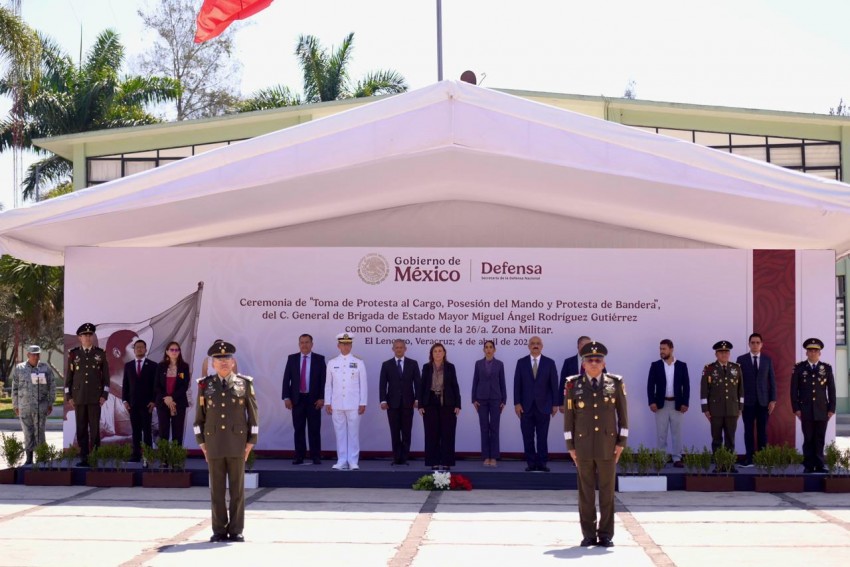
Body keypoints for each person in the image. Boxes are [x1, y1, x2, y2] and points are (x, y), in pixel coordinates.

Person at [564, 341, 628, 548]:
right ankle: (589, 535)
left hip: (607, 446)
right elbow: (569, 418)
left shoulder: (615, 384)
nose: (594, 363)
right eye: (589, 360)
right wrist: (570, 446)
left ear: (604, 363)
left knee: (607, 493)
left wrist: (621, 443)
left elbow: (623, 416)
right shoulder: (573, 385)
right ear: (583, 364)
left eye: (598, 360)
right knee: (586, 493)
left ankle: (606, 534)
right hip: (582, 446)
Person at [194, 340, 258, 543]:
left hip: (237, 444)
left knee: (237, 489)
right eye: (219, 359)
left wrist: (251, 442)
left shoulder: (244, 383)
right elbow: (199, 418)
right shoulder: (205, 385)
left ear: (233, 362)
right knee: (217, 490)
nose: (223, 361)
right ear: (213, 363)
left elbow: (253, 416)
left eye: (227, 358)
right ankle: (219, 530)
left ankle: (236, 529)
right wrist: (202, 443)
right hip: (213, 444)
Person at [66, 323, 110, 467]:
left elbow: (106, 377)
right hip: (78, 397)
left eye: (90, 335)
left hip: (95, 397)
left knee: (95, 429)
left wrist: (104, 395)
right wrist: (69, 396)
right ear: (80, 338)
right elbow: (69, 377)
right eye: (85, 335)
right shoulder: (73, 354)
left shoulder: (100, 353)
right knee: (81, 428)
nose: (88, 337)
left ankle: (95, 456)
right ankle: (84, 457)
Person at [514, 336, 559, 472]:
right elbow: (517, 385)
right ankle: (531, 463)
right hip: (525, 407)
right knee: (527, 437)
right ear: (528, 346)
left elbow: (554, 385)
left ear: (542, 346)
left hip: (544, 406)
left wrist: (555, 404)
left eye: (538, 343)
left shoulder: (549, 363)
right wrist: (517, 403)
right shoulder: (521, 362)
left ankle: (542, 463)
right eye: (533, 343)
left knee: (542, 437)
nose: (535, 345)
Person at [791, 338, 835, 474]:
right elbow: (794, 390)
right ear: (806, 353)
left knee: (820, 438)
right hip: (806, 409)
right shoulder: (799, 368)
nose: (813, 353)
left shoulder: (826, 368)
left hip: (822, 409)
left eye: (816, 351)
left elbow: (831, 390)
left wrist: (831, 408)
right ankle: (809, 465)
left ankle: (820, 464)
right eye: (810, 350)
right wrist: (796, 408)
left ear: (819, 353)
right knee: (808, 438)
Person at [325, 333, 368, 471]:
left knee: (353, 434)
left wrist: (363, 402)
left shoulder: (358, 362)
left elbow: (363, 384)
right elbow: (328, 384)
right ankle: (342, 460)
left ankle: (353, 461)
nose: (346, 346)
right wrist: (327, 402)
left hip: (353, 403)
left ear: (351, 345)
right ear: (338, 346)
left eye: (348, 344)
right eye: (343, 344)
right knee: (340, 434)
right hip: (337, 403)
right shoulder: (332, 363)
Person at [282, 333, 326, 465]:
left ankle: (315, 456)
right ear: (299, 344)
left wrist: (322, 398)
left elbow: (323, 380)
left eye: (307, 342)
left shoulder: (319, 359)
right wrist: (286, 397)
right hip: (297, 399)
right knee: (299, 429)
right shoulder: (292, 359)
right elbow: (286, 379)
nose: (304, 345)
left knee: (314, 429)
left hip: (314, 400)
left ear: (312, 344)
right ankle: (299, 456)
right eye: (302, 342)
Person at [646, 339, 690, 467]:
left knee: (677, 433)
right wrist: (651, 402)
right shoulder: (656, 365)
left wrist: (685, 403)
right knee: (661, 433)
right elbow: (650, 385)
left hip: (677, 404)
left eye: (664, 349)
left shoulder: (682, 365)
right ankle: (661, 457)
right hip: (661, 404)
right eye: (660, 349)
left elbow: (686, 386)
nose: (661, 351)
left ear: (671, 349)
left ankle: (677, 458)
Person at [700, 340, 743, 470]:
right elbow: (704, 390)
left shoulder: (736, 368)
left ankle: (729, 465)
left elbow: (741, 389)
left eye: (726, 352)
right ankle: (719, 465)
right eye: (721, 352)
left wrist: (740, 407)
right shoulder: (709, 368)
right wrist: (705, 409)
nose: (724, 354)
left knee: (730, 439)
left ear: (729, 354)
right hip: (715, 410)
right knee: (717, 439)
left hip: (732, 409)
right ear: (716, 354)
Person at [418, 342, 461, 471]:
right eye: (435, 351)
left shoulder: (450, 367)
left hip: (447, 403)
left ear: (444, 353)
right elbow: (422, 386)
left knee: (448, 433)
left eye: (440, 351)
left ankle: (447, 462)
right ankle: (434, 462)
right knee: (432, 434)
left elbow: (455, 386)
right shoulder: (426, 367)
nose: (437, 353)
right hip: (430, 402)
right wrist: (420, 405)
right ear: (431, 354)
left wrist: (458, 404)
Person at [736, 333, 777, 467]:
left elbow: (772, 381)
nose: (755, 345)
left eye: (757, 342)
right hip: (747, 402)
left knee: (762, 432)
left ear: (761, 344)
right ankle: (749, 459)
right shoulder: (741, 359)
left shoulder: (767, 360)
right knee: (748, 431)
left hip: (763, 402)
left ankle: (762, 459)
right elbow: (737, 382)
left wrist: (773, 400)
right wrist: (738, 402)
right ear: (749, 344)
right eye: (752, 342)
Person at [379, 339, 421, 466]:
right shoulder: (386, 364)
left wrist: (417, 399)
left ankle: (404, 458)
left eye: (401, 347)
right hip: (392, 404)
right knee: (395, 431)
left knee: (407, 432)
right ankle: (396, 458)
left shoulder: (413, 363)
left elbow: (418, 383)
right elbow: (382, 384)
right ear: (393, 349)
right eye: (396, 347)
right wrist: (383, 400)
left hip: (408, 403)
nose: (399, 349)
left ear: (405, 349)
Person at [11, 345, 56, 465]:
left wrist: (50, 402)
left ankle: (42, 458)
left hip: (41, 407)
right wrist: (15, 405)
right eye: (33, 354)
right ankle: (29, 458)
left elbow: (52, 386)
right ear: (28, 355)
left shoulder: (45, 368)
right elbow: (15, 388)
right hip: (24, 407)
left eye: (37, 354)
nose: (36, 357)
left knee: (40, 433)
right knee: (27, 433)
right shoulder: (19, 368)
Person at [471, 340, 506, 466]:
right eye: (486, 347)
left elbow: (502, 382)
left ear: (494, 350)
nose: (489, 349)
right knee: (484, 427)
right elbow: (475, 381)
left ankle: (494, 456)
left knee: (495, 428)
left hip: (496, 399)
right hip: (481, 399)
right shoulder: (478, 363)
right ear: (484, 350)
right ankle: (486, 456)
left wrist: (504, 400)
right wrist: (473, 399)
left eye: (491, 347)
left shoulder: (499, 364)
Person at [121, 339, 157, 461]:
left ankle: (148, 455)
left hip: (147, 404)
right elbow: (125, 385)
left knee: (147, 430)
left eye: (142, 347)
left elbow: (155, 386)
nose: (139, 349)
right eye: (137, 347)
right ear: (134, 350)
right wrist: (124, 400)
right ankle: (136, 454)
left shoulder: (153, 365)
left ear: (145, 349)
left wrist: (154, 401)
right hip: (133, 404)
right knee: (135, 430)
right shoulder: (128, 366)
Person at [155, 341, 191, 445]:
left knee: (178, 432)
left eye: (177, 350)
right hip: (163, 403)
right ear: (167, 352)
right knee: (163, 432)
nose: (174, 352)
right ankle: (164, 455)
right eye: (172, 350)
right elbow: (156, 386)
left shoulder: (184, 367)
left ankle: (176, 455)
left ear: (179, 352)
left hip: (178, 403)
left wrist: (172, 398)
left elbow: (184, 386)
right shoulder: (160, 366)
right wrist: (166, 398)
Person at [559, 336, 591, 412]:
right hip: (572, 400)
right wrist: (561, 402)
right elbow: (563, 383)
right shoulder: (568, 362)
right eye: (583, 344)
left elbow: (603, 381)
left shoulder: (597, 362)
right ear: (578, 346)